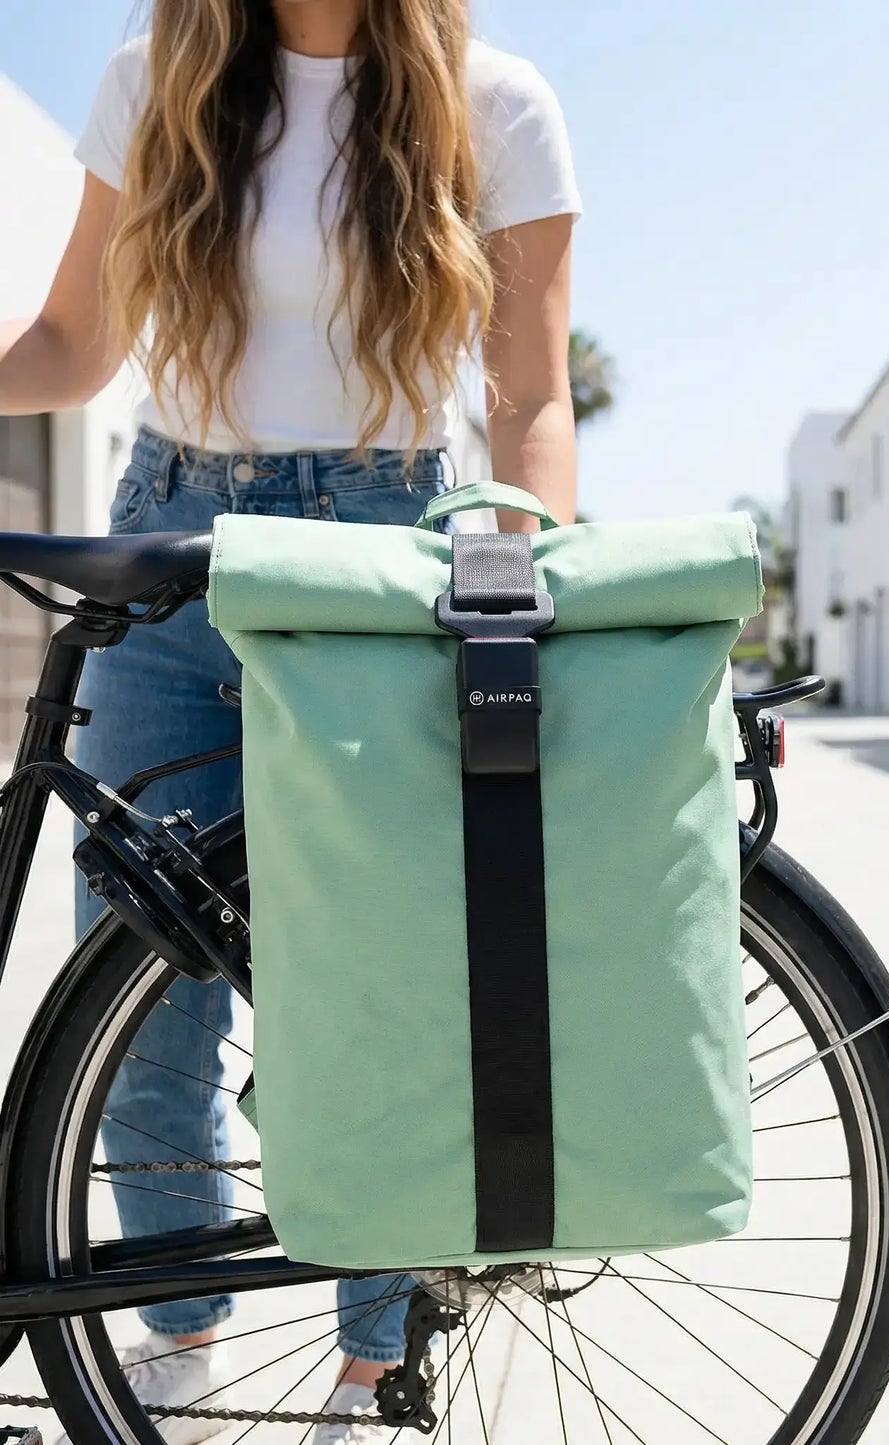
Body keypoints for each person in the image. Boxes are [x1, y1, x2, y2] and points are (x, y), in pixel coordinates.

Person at [0, 0, 581, 1439]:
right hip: (166, 548)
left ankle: (374, 1366)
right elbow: (75, 340)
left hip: (377, 561)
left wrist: (522, 590)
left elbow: (529, 396)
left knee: (359, 995)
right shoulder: (156, 81)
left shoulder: (493, 102)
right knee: (140, 997)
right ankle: (175, 1335)